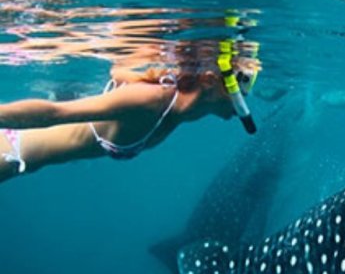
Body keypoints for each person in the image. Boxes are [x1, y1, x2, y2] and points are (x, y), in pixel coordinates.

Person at [0, 37, 260, 182]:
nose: (245, 97)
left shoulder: (186, 108)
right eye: (243, 85)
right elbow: (55, 114)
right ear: (211, 81)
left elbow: (117, 70)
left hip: (25, 159)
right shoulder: (153, 101)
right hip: (11, 152)